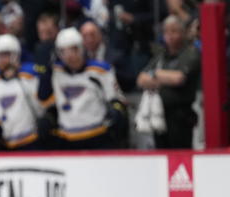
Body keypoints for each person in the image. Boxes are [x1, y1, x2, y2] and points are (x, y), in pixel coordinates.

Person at [51, 28, 127, 149]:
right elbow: (43, 98)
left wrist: (116, 110)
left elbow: (117, 99)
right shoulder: (55, 72)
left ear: (81, 48)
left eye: (73, 49)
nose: (69, 55)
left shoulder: (101, 70)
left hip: (97, 135)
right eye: (63, 51)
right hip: (67, 138)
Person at [0, 34, 55, 157]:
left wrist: (48, 118)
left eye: (5, 54)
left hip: (33, 142)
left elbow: (49, 103)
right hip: (7, 147)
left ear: (15, 55)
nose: (1, 59)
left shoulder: (31, 74)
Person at [135, 15, 200, 149]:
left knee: (181, 155)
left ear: (183, 33)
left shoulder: (190, 53)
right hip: (159, 115)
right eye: (166, 32)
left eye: (174, 31)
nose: (170, 35)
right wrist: (164, 79)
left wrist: (155, 75)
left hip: (181, 116)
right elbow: (141, 79)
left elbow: (179, 78)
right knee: (161, 155)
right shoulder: (161, 56)